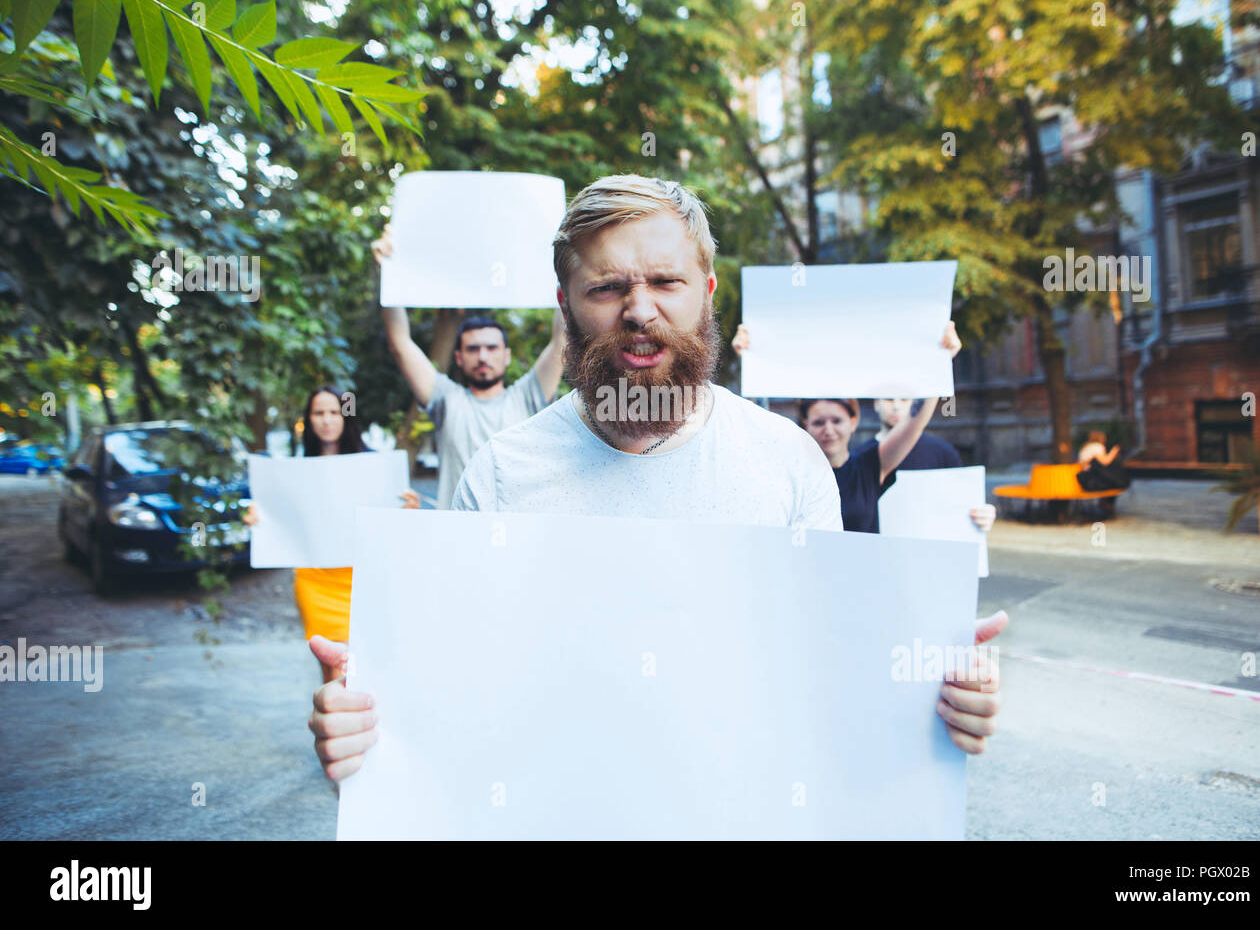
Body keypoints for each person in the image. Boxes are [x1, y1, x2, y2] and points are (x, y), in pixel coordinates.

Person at [309, 174, 1006, 782]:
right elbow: (447, 696)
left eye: (665, 282)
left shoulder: (788, 463)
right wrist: (365, 733)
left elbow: (829, 673)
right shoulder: (498, 480)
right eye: (607, 287)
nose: (639, 310)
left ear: (705, 292)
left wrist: (934, 698)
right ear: (565, 305)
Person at [372, 227, 566, 510]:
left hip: (518, 533)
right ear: (459, 358)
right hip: (456, 536)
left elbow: (562, 337)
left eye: (491, 348)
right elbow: (400, 343)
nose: (483, 356)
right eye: (473, 349)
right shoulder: (447, 400)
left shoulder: (527, 396)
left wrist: (565, 267)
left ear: (506, 356)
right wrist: (387, 270)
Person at [242, 385, 419, 684]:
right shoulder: (292, 474)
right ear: (308, 420)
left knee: (370, 670)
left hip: (364, 582)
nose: (327, 419)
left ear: (346, 416)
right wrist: (259, 520)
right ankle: (336, 730)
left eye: (334, 412)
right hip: (316, 583)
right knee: (334, 673)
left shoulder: (376, 466)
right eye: (319, 413)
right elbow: (278, 522)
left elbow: (396, 529)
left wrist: (409, 511)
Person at [729, 328, 966, 533]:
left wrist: (941, 361)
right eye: (819, 422)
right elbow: (757, 422)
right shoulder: (791, 473)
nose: (828, 430)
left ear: (853, 422)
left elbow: (915, 421)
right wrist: (749, 361)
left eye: (837, 421)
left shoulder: (869, 466)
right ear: (805, 425)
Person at [873, 398, 997, 532]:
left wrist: (982, 516)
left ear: (915, 404)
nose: (896, 406)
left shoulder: (943, 453)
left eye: (904, 399)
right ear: (876, 404)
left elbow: (963, 506)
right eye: (889, 399)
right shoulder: (858, 458)